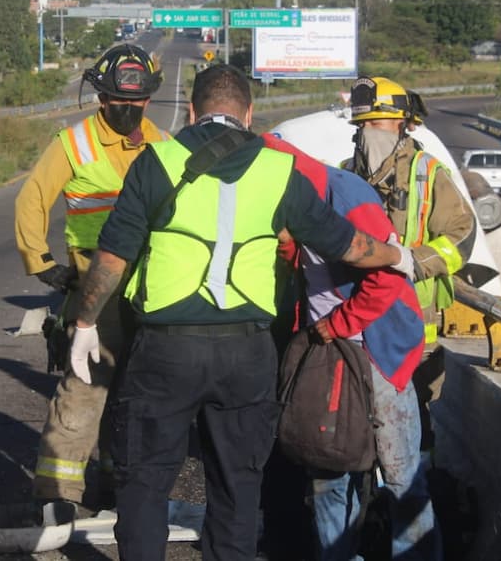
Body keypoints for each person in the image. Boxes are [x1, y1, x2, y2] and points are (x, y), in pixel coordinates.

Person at [66, 63, 415, 561]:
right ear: (249, 114)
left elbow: (112, 256)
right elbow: (349, 246)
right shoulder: (280, 171)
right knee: (237, 484)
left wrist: (83, 323)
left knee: (144, 480)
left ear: (192, 111)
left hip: (166, 350)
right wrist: (399, 256)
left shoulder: (155, 162)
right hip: (247, 353)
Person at [264, 135, 442, 561]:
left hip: (378, 354)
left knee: (401, 477)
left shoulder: (345, 194)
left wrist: (337, 324)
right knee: (328, 471)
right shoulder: (289, 197)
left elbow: (388, 275)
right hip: (328, 354)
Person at [14, 43, 168, 510]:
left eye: (136, 102)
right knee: (83, 391)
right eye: (117, 101)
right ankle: (56, 493)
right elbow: (32, 198)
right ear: (100, 97)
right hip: (96, 288)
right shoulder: (74, 143)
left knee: (132, 397)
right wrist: (40, 262)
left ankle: (116, 484)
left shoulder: (160, 142)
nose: (127, 110)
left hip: (149, 287)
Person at [346, 76, 477, 452]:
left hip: (413, 336)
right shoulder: (344, 172)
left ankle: (406, 503)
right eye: (363, 124)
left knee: (410, 433)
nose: (369, 131)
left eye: (377, 122)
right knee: (355, 428)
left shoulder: (428, 173)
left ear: (405, 124)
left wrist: (412, 262)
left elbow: (461, 237)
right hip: (357, 327)